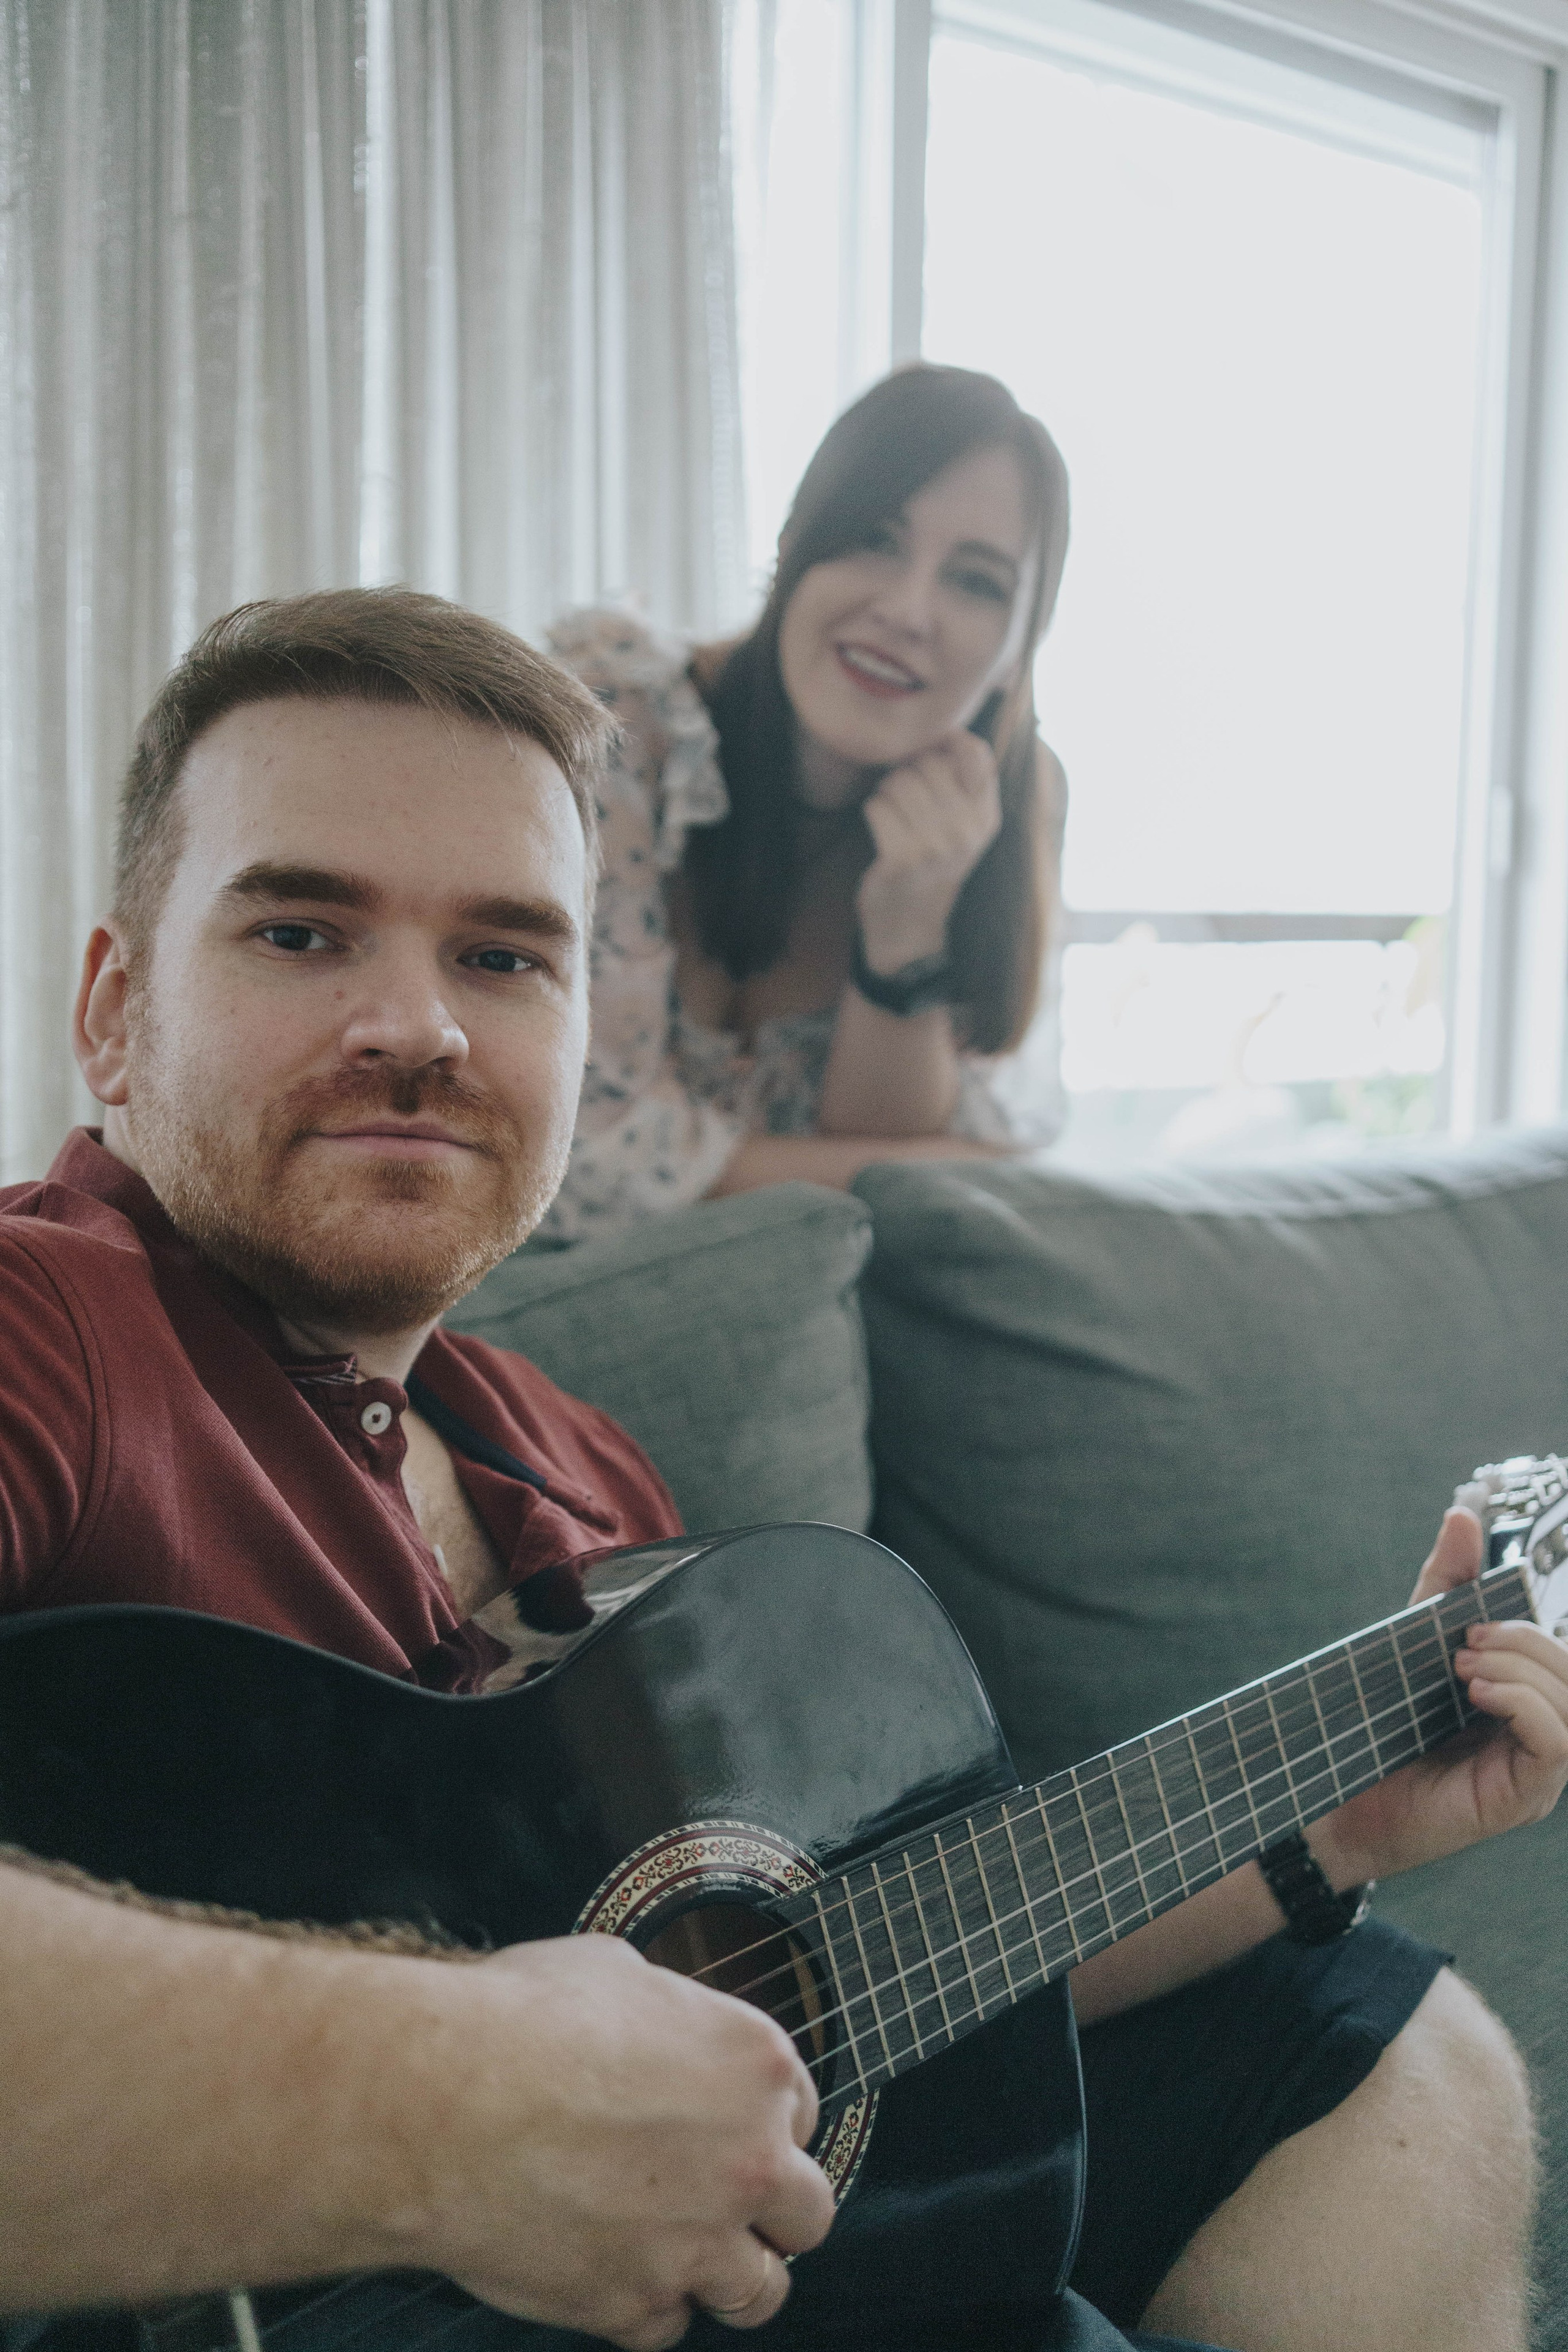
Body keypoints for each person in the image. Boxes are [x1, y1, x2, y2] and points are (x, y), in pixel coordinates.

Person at [1, 588, 1564, 2352]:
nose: (420, 1027)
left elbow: (853, 1978)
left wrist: (1333, 1822)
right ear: (115, 1014)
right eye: (302, 934)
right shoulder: (45, 1324)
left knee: (1380, 2035)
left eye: (506, 957)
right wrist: (454, 2105)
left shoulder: (582, 1480)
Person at [539, 364, 1071, 1242]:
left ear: (1018, 651)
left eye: (976, 583)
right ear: (793, 543)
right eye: (873, 537)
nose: (908, 610)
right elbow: (587, 1158)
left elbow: (910, 1215)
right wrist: (964, 1171)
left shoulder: (1009, 799)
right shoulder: (619, 728)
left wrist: (905, 934)